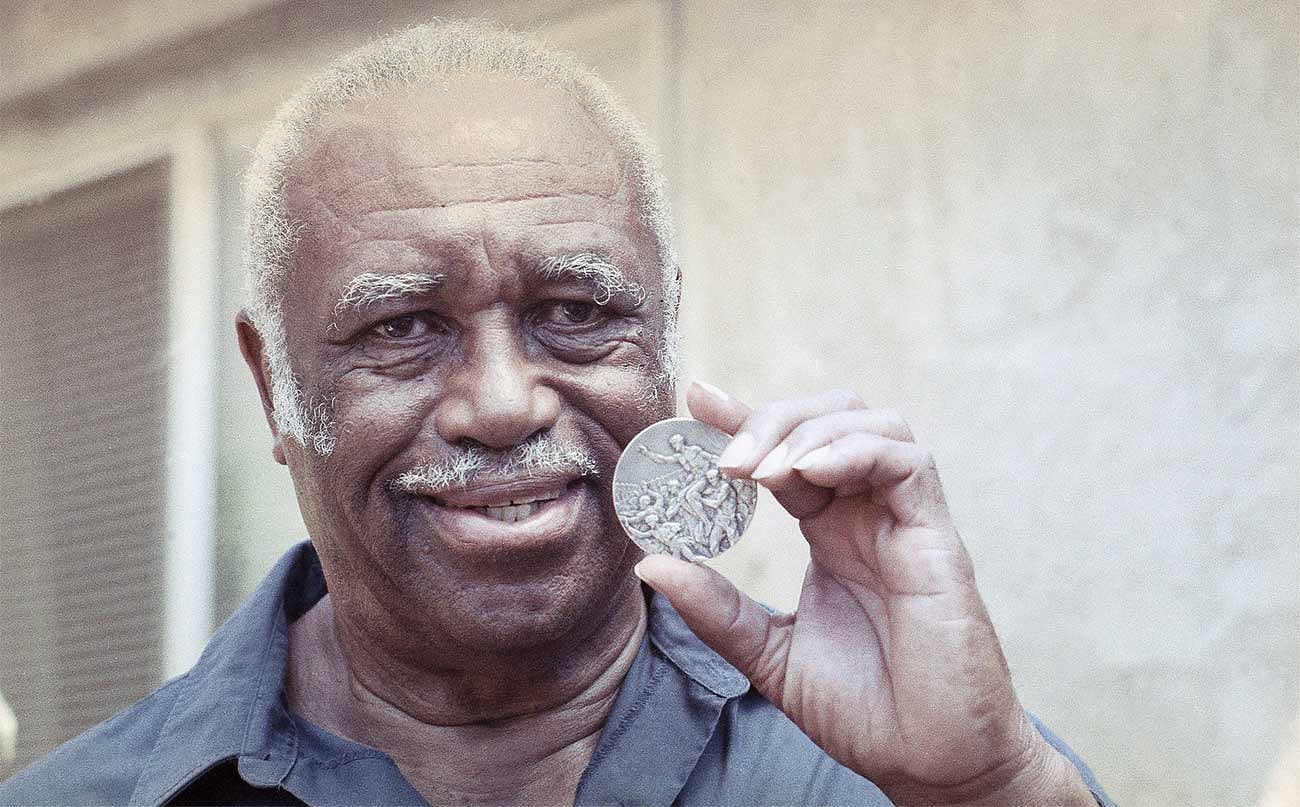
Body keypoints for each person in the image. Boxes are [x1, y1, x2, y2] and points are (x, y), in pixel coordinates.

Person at [1, 21, 1115, 806]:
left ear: (666, 336)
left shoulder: (889, 777)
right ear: (273, 385)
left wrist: (990, 789)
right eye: (399, 328)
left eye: (575, 310)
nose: (500, 403)